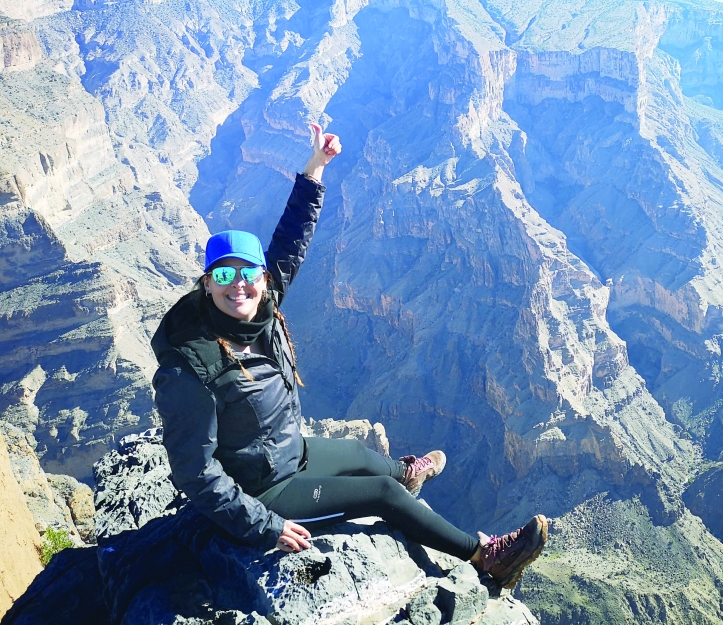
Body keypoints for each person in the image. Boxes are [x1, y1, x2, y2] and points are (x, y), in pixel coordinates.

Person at [150, 123, 546, 589]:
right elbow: (195, 472)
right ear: (206, 282)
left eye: (248, 272)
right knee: (380, 495)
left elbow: (291, 241)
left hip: (287, 453)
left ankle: (406, 475)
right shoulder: (188, 366)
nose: (239, 282)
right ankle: (485, 555)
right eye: (224, 273)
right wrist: (266, 525)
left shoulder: (264, 301)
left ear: (261, 278)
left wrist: (314, 167)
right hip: (262, 490)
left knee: (362, 453)